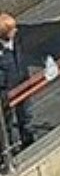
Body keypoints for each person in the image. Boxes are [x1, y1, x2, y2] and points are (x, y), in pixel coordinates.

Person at [0, 12, 36, 148]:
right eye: (12, 29)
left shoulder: (17, 41)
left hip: (22, 82)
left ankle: (28, 140)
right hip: (6, 90)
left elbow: (22, 59)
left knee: (26, 114)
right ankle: (8, 148)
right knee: (6, 122)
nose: (16, 30)